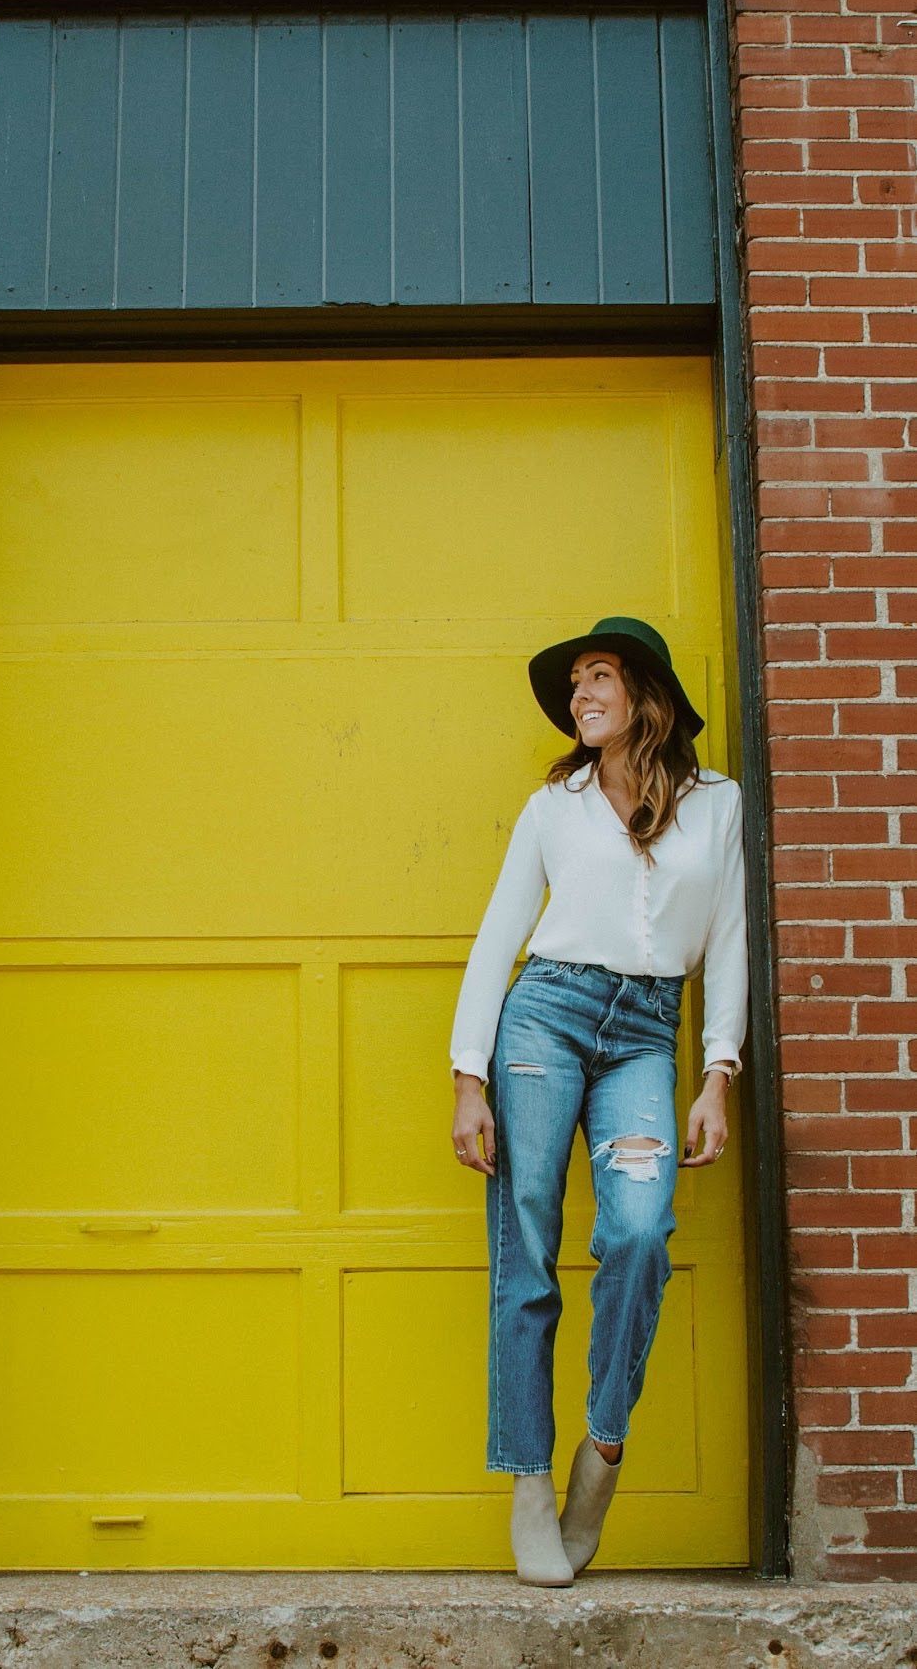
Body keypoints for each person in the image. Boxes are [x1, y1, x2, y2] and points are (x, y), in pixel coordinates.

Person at [448, 616, 748, 1586]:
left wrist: (718, 1072)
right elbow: (500, 940)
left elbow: (732, 937)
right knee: (527, 1248)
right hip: (542, 1021)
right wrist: (467, 1078)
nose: (580, 695)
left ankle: (602, 1452)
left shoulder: (716, 804)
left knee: (637, 1233)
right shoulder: (555, 808)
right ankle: (529, 1485)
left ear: (645, 696)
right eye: (574, 682)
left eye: (599, 677)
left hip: (644, 1036)